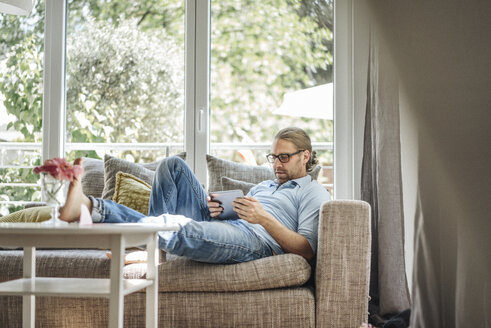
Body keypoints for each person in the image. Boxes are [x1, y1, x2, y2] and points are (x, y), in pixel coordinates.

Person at [60, 127, 330, 263]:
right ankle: (157, 249)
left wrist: (264, 219)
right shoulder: (265, 186)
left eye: (284, 157)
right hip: (231, 224)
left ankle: (91, 207)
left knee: (183, 229)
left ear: (305, 156)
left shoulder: (313, 192)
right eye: (273, 157)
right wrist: (222, 208)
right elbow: (242, 213)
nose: (276, 164)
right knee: (171, 165)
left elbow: (307, 250)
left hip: (257, 242)